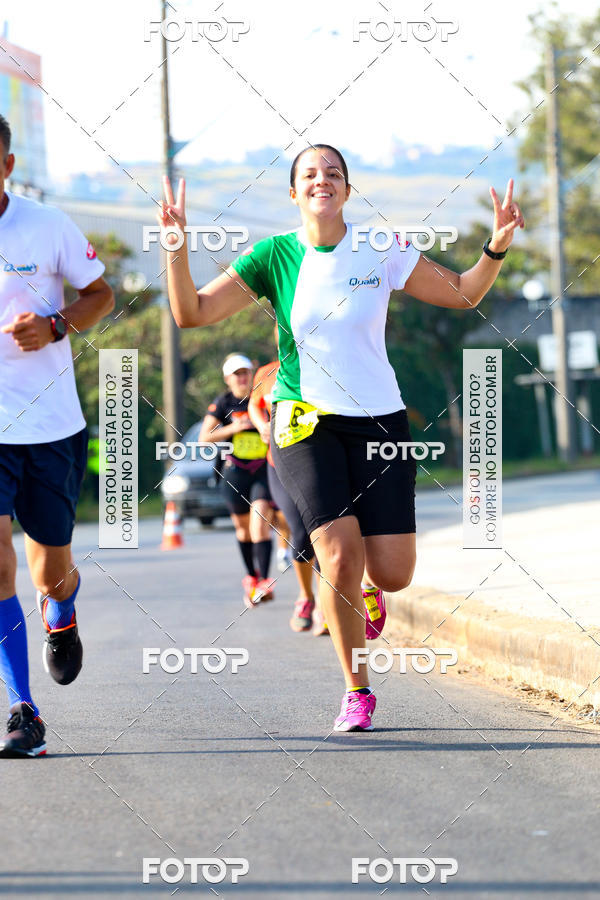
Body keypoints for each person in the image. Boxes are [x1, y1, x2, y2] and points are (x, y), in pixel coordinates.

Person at [158, 143, 524, 732]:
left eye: (333, 174)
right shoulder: (273, 255)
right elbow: (191, 313)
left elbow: (463, 292)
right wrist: (175, 247)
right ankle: (358, 691)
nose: (322, 181)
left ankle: (370, 593)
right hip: (303, 420)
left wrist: (497, 246)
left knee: (394, 572)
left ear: (348, 190)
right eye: (310, 174)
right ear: (294, 192)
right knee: (337, 554)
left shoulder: (380, 248)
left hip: (380, 421)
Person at [0, 114, 114, 757]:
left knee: (49, 572)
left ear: (7, 165)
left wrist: (57, 323)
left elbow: (100, 293)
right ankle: (24, 711)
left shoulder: (46, 225)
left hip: (49, 426)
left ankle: (61, 611)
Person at [248, 348, 328, 636]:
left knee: (323, 530)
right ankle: (306, 597)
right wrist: (261, 426)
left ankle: (324, 607)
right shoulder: (266, 373)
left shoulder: (321, 365)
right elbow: (254, 405)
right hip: (278, 463)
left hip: (318, 461)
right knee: (300, 531)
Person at [200, 354, 275, 607]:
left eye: (245, 372)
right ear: (227, 379)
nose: (242, 378)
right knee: (243, 530)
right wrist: (235, 427)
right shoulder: (224, 402)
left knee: (260, 521)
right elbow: (205, 437)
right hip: (234, 473)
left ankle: (265, 580)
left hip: (262, 471)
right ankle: (251, 577)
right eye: (237, 374)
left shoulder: (261, 397)